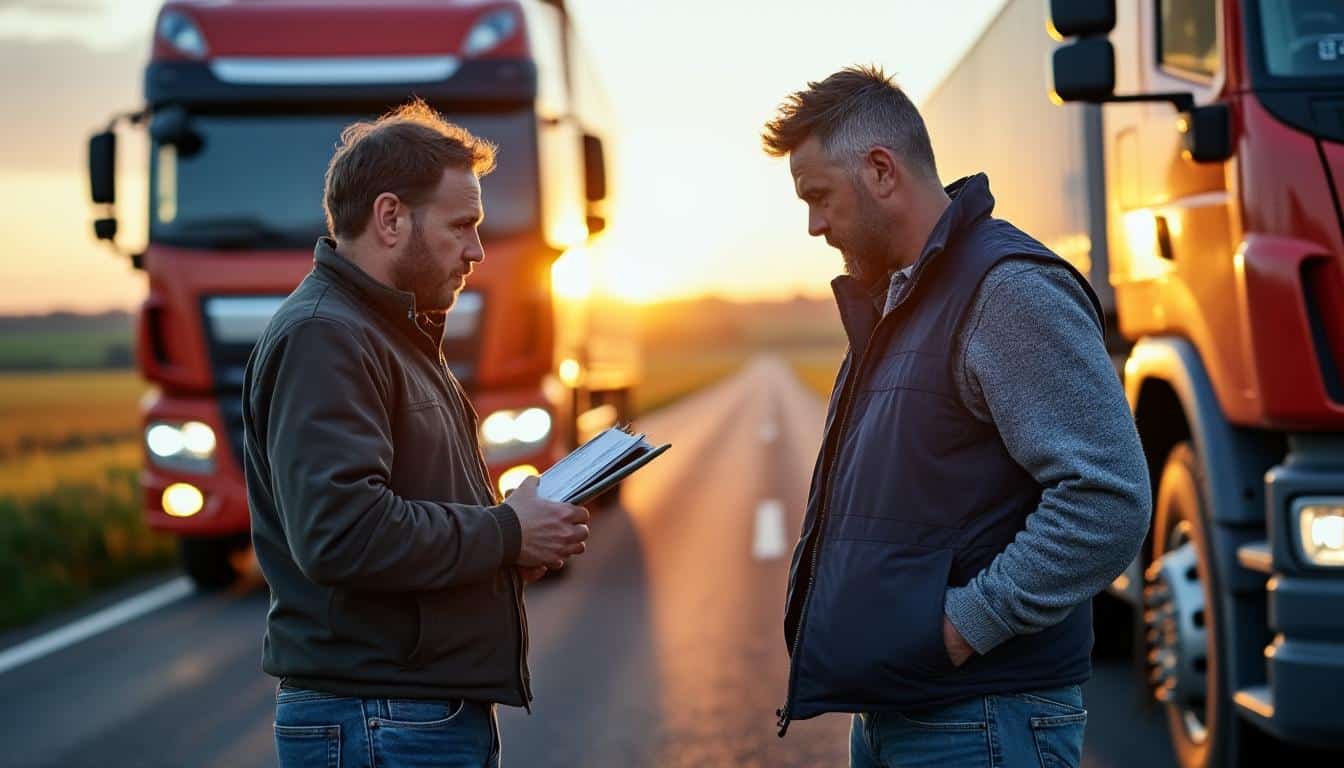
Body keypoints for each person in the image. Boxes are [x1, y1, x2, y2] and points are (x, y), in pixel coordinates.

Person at [763, 66, 1152, 767]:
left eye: (818, 197)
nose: (814, 225)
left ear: (881, 170)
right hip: (904, 709)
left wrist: (956, 629)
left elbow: (1108, 499)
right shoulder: (903, 299)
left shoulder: (1005, 292)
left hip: (980, 718)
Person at [242, 100, 590, 768]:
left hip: (401, 714)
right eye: (463, 225)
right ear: (391, 217)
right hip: (379, 718)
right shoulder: (326, 337)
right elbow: (343, 533)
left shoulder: (383, 333)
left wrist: (509, 541)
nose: (477, 251)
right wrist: (506, 532)